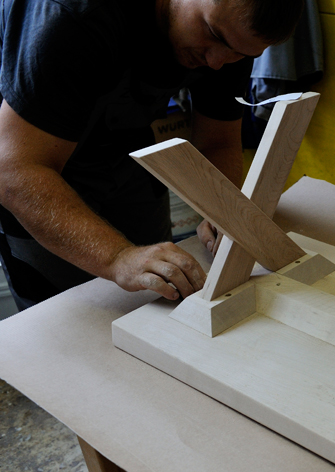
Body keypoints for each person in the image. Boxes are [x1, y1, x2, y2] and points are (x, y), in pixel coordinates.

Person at [0, 0, 304, 311]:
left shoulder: (233, 32)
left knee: (159, 284)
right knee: (63, 318)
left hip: (125, 142)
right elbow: (15, 171)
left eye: (242, 55)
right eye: (212, 34)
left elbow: (217, 141)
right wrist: (117, 257)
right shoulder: (72, 17)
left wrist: (222, 208)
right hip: (25, 152)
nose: (216, 62)